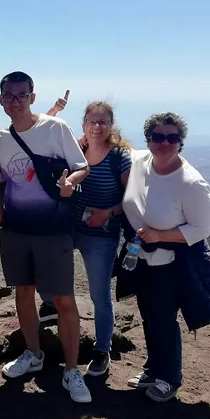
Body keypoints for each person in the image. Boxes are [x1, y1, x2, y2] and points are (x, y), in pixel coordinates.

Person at [0, 71, 92, 403]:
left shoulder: (55, 128)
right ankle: (33, 354)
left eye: (22, 95)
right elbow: (5, 181)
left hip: (54, 228)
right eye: (10, 96)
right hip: (17, 228)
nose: (16, 101)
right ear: (1, 100)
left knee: (64, 299)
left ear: (32, 97)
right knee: (23, 292)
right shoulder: (2, 138)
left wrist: (71, 183)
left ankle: (72, 370)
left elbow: (82, 166)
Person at [121, 111, 210, 402]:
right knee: (149, 315)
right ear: (148, 140)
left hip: (170, 262)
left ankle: (169, 378)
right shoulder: (140, 162)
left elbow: (202, 227)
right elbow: (112, 143)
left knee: (162, 318)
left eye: (172, 138)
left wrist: (161, 235)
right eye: (158, 137)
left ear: (181, 142)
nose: (165, 143)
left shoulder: (190, 182)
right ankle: (153, 368)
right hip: (142, 257)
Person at [47, 100, 133, 377]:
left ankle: (101, 349)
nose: (97, 127)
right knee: (45, 266)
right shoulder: (78, 149)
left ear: (111, 125)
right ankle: (49, 306)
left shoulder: (120, 156)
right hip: (71, 228)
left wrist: (107, 213)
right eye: (92, 121)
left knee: (99, 295)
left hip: (102, 235)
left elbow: (131, 199)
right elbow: (43, 135)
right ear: (84, 124)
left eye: (103, 122)